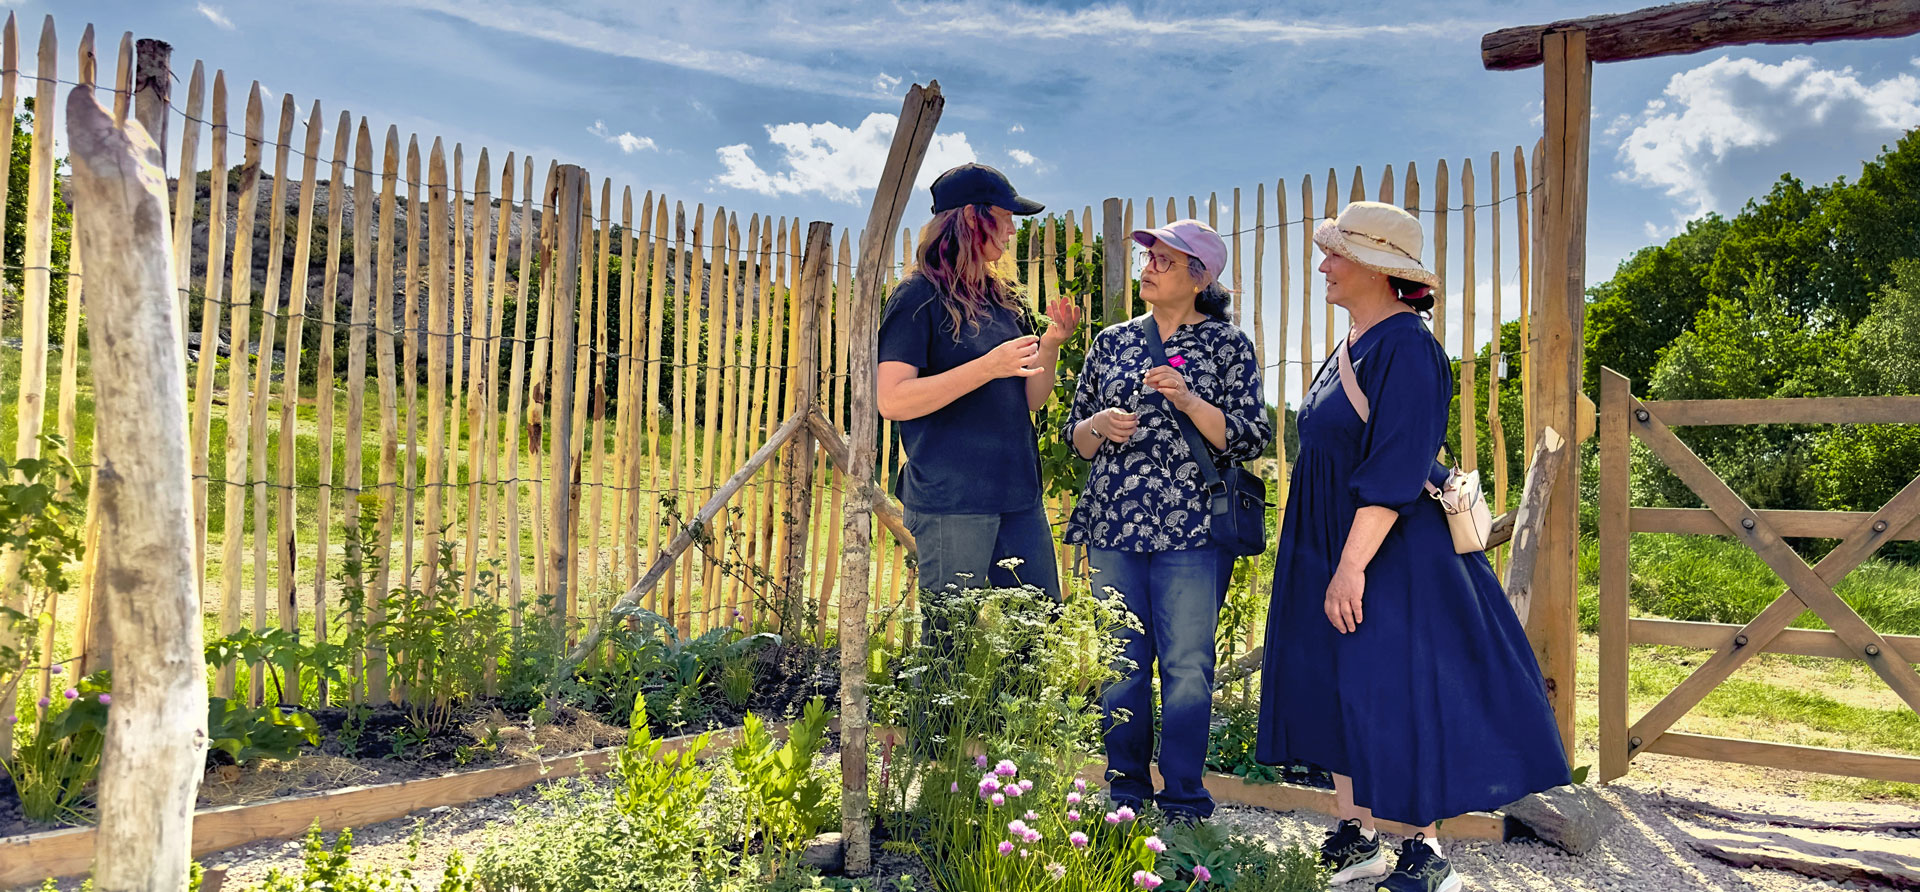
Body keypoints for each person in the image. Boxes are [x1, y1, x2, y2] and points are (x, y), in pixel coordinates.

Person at [1255, 201, 1568, 892]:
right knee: (1340, 688)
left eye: (1336, 254)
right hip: (1337, 541)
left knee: (1392, 692)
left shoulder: (1408, 348)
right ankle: (1358, 834)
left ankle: (1427, 855)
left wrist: (1350, 566)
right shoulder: (1353, 348)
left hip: (1383, 552)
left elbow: (1395, 467)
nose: (1322, 265)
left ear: (1376, 267)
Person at [1062, 219, 1271, 823]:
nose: (1148, 265)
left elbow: (1248, 436)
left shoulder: (1229, 348)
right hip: (1116, 525)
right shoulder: (1112, 343)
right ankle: (1125, 792)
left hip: (1193, 531)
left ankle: (1184, 798)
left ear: (1199, 277)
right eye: (1148, 256)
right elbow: (1074, 438)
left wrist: (1189, 400)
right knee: (1120, 662)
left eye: (1163, 259)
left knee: (1186, 668)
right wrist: (1098, 425)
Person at [877, 163, 1079, 605]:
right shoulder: (917, 296)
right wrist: (988, 367)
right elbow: (892, 400)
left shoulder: (1006, 298)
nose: (1012, 231)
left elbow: (1031, 398)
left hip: (1019, 496)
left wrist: (1050, 346)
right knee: (951, 642)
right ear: (971, 217)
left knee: (1036, 638)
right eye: (1005, 217)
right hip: (952, 500)